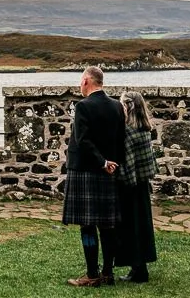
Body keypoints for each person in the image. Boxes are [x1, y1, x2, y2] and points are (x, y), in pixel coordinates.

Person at [62, 65, 126, 287]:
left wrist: (102, 162)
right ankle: (107, 273)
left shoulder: (83, 106)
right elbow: (120, 140)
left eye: (81, 81)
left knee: (87, 225)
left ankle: (92, 274)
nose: (80, 85)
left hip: (85, 171)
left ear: (87, 81)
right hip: (109, 172)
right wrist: (113, 164)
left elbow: (83, 140)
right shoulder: (117, 106)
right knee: (107, 226)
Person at [115, 91, 158, 284]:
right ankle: (140, 267)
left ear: (128, 106)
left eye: (122, 104)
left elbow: (126, 162)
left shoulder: (128, 131)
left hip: (130, 185)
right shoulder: (145, 127)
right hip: (142, 183)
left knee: (131, 227)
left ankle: (138, 270)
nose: (119, 107)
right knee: (142, 225)